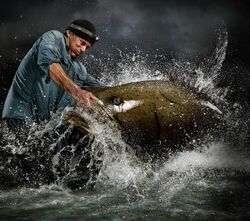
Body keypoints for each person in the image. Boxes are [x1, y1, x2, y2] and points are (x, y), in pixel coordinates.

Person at [1, 19, 105, 140]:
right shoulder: (54, 37)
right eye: (82, 43)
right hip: (18, 118)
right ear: (69, 33)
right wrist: (77, 92)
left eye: (87, 47)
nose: (83, 50)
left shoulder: (78, 70)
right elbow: (48, 63)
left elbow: (104, 90)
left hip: (39, 130)